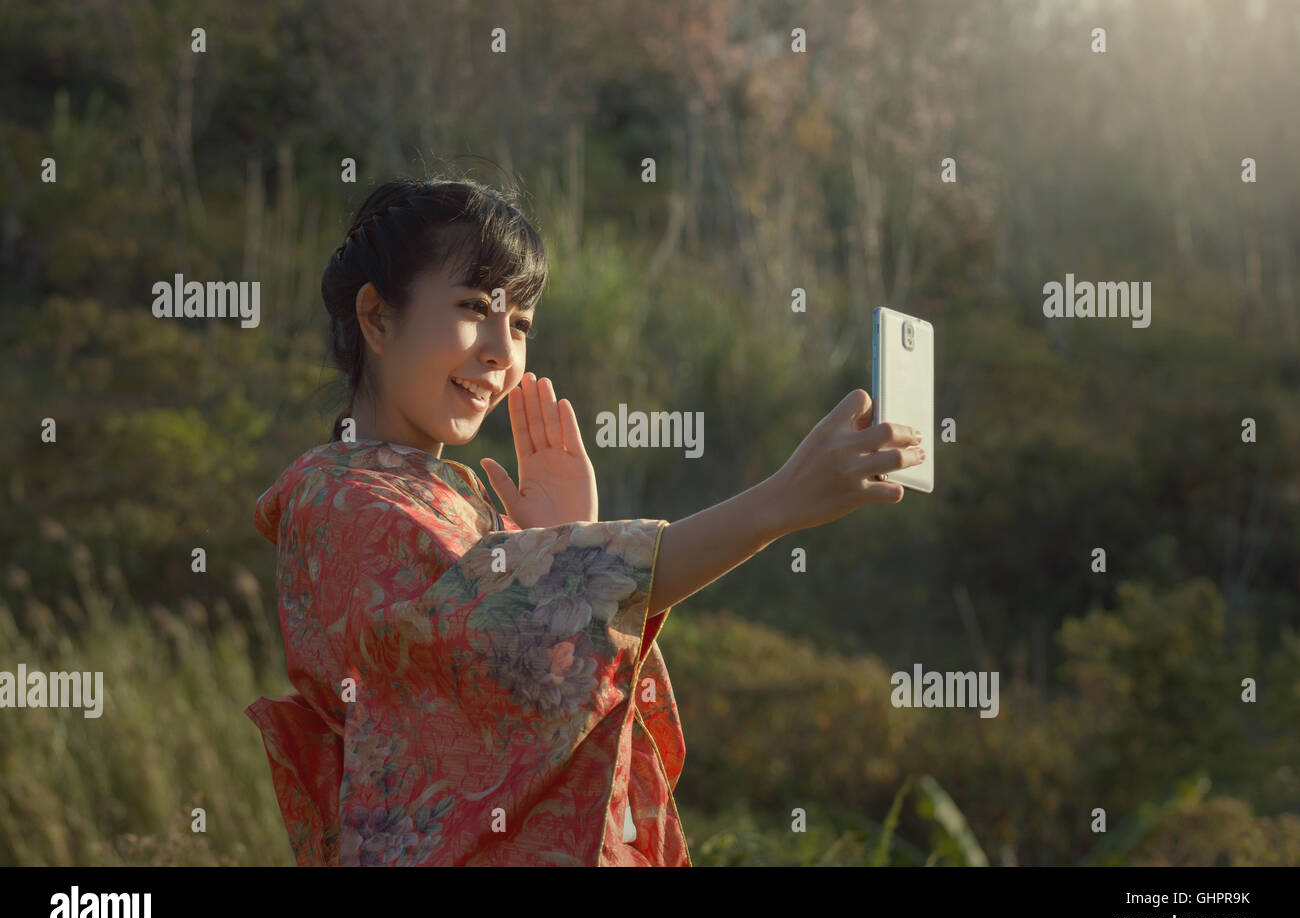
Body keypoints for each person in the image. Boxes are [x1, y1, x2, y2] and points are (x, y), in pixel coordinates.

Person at [245, 175, 925, 867]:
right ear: (377, 317)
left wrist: (564, 539)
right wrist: (779, 501)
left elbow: (527, 676)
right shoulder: (343, 502)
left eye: (519, 326)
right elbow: (483, 662)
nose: (501, 353)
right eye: (474, 307)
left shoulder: (436, 499)